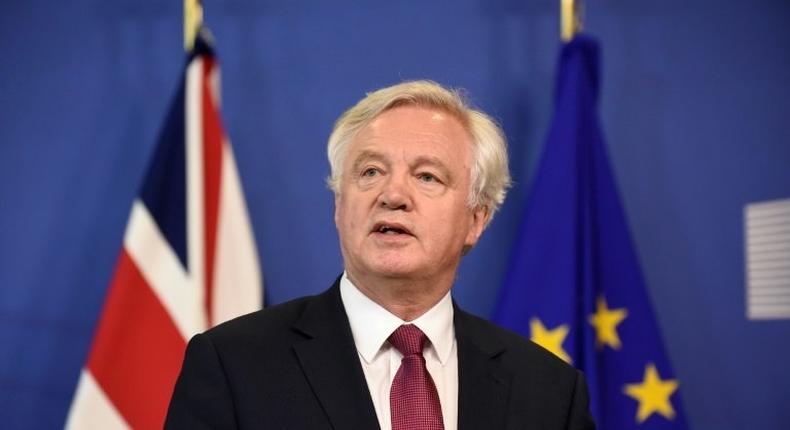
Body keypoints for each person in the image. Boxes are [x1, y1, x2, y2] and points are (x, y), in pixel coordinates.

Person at [165, 80, 595, 429]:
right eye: (370, 172)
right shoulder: (233, 366)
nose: (392, 195)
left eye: (427, 176)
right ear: (339, 206)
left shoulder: (549, 392)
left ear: (476, 220)